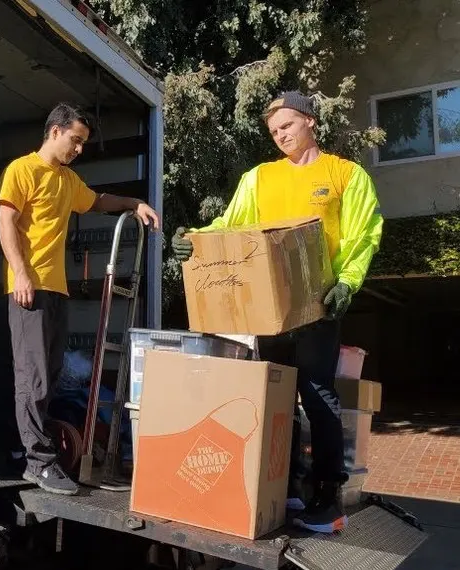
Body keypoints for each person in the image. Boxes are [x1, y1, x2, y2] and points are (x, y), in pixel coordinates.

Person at [171, 90, 383, 533]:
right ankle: (282, 486)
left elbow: (364, 234)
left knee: (318, 394)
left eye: (287, 125)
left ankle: (329, 497)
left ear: (310, 121)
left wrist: (346, 283)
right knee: (275, 396)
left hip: (318, 306)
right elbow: (232, 223)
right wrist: (195, 235)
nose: (280, 135)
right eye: (273, 131)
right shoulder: (260, 178)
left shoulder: (346, 175)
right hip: (268, 311)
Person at [0, 102, 160, 495]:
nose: (79, 149)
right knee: (32, 378)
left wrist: (134, 204)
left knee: (49, 375)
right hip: (28, 289)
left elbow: (98, 201)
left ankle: (29, 453)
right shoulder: (22, 170)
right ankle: (38, 462)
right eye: (76, 140)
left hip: (57, 290)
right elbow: (6, 223)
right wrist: (20, 273)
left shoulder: (67, 181)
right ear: (55, 132)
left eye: (83, 143)